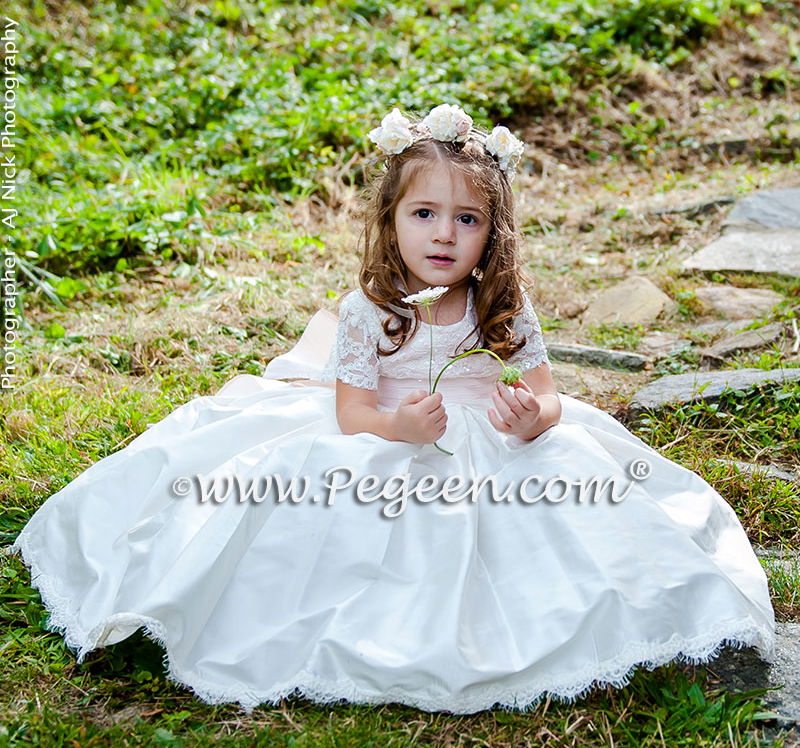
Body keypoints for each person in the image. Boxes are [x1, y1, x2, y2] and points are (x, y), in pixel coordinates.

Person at [8, 105, 774, 715]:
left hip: (497, 452)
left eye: (467, 220)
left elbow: (545, 391)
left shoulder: (502, 306)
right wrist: (400, 427)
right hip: (392, 441)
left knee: (577, 523)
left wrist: (534, 419)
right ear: (392, 218)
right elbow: (350, 414)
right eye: (425, 215)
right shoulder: (370, 310)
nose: (445, 234)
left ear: (491, 234)